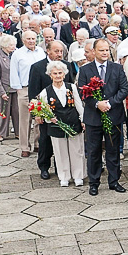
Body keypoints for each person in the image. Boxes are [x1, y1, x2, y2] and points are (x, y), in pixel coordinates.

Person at [78, 39, 128, 196]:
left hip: (113, 115)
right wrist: (96, 104)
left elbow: (124, 88)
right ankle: (94, 183)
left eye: (107, 50)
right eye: (101, 50)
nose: (105, 53)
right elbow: (82, 92)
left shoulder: (117, 68)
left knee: (113, 150)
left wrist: (109, 103)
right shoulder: (85, 70)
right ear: (94, 51)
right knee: (94, 151)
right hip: (93, 118)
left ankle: (114, 181)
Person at [28, 41, 74, 180]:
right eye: (56, 51)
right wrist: (37, 113)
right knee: (45, 140)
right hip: (46, 111)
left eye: (61, 51)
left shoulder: (68, 65)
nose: (59, 54)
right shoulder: (37, 67)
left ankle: (62, 168)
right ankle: (44, 167)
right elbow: (33, 92)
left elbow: (71, 86)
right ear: (48, 51)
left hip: (65, 111)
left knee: (63, 141)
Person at [37, 61, 87, 187]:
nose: (58, 76)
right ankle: (64, 176)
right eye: (55, 73)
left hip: (73, 122)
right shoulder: (45, 92)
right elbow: (44, 110)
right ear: (50, 75)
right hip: (56, 125)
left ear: (64, 74)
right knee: (60, 152)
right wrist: (50, 119)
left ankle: (78, 175)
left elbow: (78, 104)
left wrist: (83, 120)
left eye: (60, 73)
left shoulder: (72, 87)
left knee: (77, 150)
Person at [10, 30, 46, 158]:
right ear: (23, 40)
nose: (31, 41)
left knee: (40, 117)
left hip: (40, 89)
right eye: (28, 39)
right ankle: (25, 146)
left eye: (33, 38)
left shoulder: (41, 52)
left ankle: (38, 144)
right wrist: (18, 88)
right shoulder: (17, 54)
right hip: (24, 88)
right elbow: (14, 71)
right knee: (25, 119)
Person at [0, 34, 18, 143]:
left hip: (16, 88)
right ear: (4, 45)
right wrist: (1, 92)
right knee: (4, 112)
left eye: (14, 44)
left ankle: (18, 132)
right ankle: (2, 133)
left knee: (17, 112)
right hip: (4, 88)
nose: (13, 47)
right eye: (11, 45)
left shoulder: (15, 54)